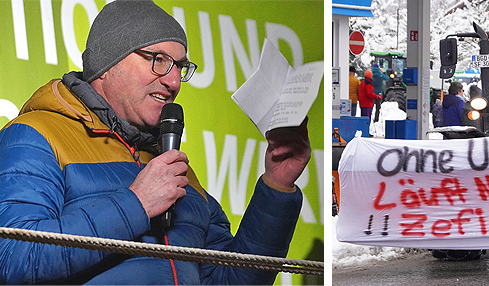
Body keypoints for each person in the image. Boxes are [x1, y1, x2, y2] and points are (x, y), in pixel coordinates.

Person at [0, 1, 310, 284]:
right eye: (159, 60)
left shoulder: (175, 169)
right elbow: (11, 257)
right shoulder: (35, 135)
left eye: (180, 67)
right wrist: (135, 204)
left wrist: (276, 187)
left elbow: (227, 280)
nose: (174, 81)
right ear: (109, 64)